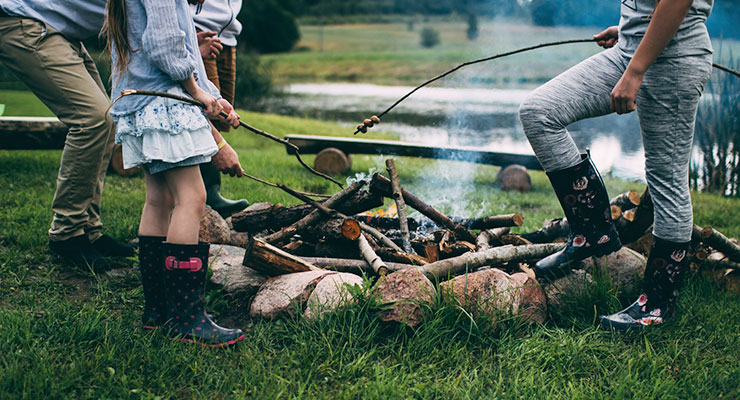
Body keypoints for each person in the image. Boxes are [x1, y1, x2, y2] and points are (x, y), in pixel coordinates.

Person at [518, 0, 713, 330]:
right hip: (631, 50)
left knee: (667, 180)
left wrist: (636, 70)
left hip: (673, 60)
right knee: (539, 111)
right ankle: (592, 233)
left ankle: (657, 305)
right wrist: (631, 30)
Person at [103, 0, 245, 346]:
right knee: (192, 198)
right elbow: (165, 45)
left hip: (143, 102)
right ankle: (187, 317)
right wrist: (197, 93)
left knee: (160, 200)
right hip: (165, 102)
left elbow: (181, 52)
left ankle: (158, 310)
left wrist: (214, 98)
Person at [0, 0, 134, 270]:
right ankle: (67, 233)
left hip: (59, 28)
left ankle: (88, 229)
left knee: (107, 119)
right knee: (93, 119)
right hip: (26, 20)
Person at [192, 0, 250, 218]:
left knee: (219, 112)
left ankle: (209, 190)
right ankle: (204, 192)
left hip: (227, 33)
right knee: (201, 108)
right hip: (199, 27)